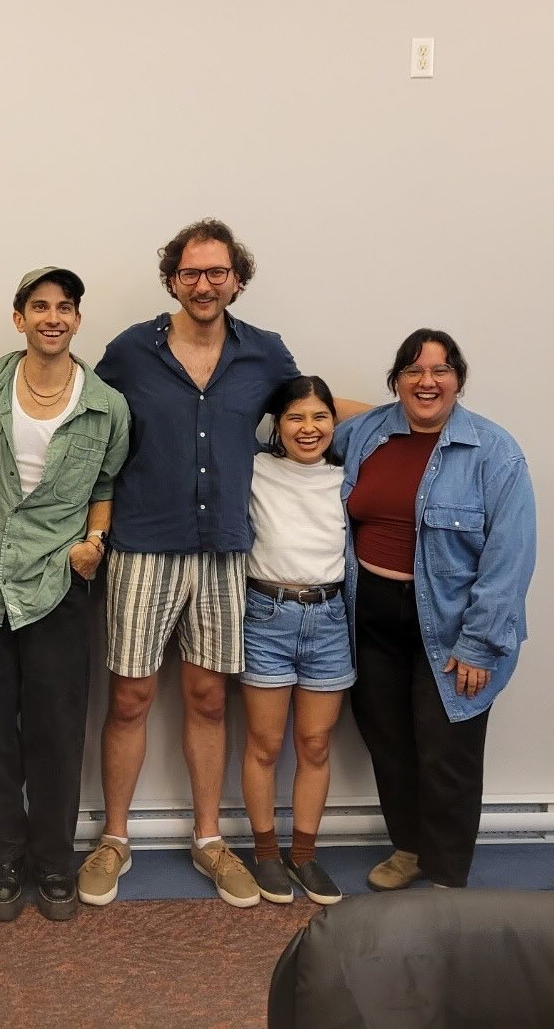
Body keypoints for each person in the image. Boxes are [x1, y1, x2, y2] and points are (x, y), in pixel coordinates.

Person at [79, 218, 367, 909]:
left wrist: (408, 415)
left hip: (226, 553)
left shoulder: (264, 355)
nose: (204, 285)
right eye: (190, 273)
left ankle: (209, 840)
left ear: (237, 278)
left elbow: (315, 412)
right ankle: (114, 838)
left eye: (217, 273)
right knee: (129, 699)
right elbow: (78, 407)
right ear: (172, 279)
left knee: (209, 699)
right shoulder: (129, 351)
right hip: (144, 545)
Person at [0, 267, 130, 922]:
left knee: (56, 735)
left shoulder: (106, 404)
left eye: (64, 307)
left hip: (59, 589)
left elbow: (106, 485)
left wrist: (95, 542)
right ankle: (3, 860)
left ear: (78, 320)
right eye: (39, 306)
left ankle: (54, 861)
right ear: (19, 316)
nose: (52, 317)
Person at [336, 329, 535, 890]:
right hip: (370, 620)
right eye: (414, 371)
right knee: (389, 742)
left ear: (459, 381)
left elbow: (511, 554)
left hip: (452, 628)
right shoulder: (368, 432)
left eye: (441, 370)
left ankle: (447, 877)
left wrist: (480, 643)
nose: (428, 382)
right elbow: (305, 422)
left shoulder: (494, 451)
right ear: (396, 380)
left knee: (447, 753)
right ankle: (409, 849)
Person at [240, 376, 352, 906]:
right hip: (266, 614)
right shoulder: (255, 468)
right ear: (276, 425)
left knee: (314, 745)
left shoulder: (348, 476)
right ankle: (265, 852)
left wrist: (328, 405)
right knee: (265, 745)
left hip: (329, 620)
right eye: (295, 418)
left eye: (320, 417)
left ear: (334, 420)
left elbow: (388, 414)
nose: (308, 429)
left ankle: (304, 855)